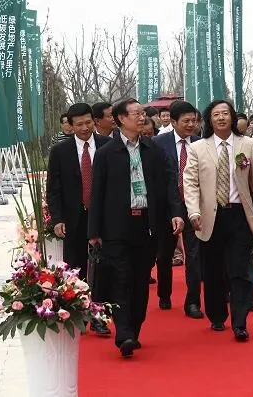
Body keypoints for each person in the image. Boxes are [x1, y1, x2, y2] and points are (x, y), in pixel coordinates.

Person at [88, 98, 184, 357]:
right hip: (116, 227)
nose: (142, 118)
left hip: (147, 225)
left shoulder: (153, 150)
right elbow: (97, 194)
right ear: (121, 119)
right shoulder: (106, 153)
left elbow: (169, 185)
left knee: (140, 280)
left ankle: (134, 327)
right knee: (120, 279)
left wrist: (176, 213)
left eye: (143, 113)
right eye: (136, 114)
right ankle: (124, 333)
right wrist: (94, 231)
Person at [183, 100, 253, 342]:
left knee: (240, 269)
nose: (221, 118)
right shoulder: (198, 148)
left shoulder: (247, 144)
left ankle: (240, 321)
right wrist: (193, 212)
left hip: (239, 215)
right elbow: (190, 183)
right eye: (216, 114)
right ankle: (217, 314)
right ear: (209, 120)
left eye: (225, 113)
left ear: (232, 117)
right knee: (213, 270)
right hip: (210, 216)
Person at [46, 103, 113, 336]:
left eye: (88, 123)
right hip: (73, 217)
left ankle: (99, 316)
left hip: (103, 216)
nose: (84, 128)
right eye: (79, 124)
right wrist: (57, 219)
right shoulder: (60, 151)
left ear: (94, 121)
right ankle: (77, 314)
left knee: (103, 269)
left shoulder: (107, 146)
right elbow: (53, 189)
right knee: (74, 268)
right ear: (70, 126)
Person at [152, 100, 202, 318]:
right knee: (164, 254)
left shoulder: (201, 143)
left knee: (194, 255)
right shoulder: (157, 143)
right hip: (166, 207)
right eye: (186, 121)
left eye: (194, 121)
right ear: (173, 122)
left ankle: (193, 302)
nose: (191, 125)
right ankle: (164, 293)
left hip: (194, 206)